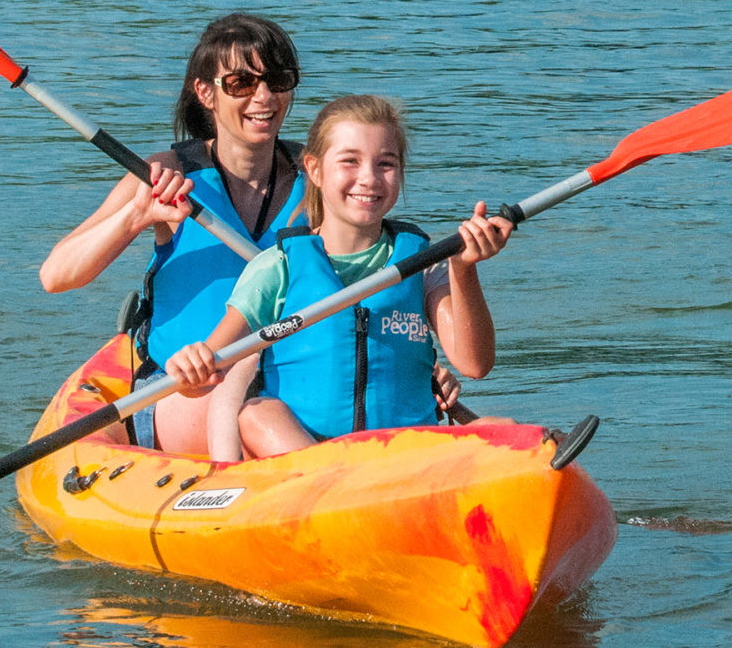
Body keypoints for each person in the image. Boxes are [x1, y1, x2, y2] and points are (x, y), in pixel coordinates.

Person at [163, 94, 515, 460]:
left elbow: (475, 364)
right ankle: (336, 484)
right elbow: (204, 376)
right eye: (350, 161)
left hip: (405, 460)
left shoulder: (426, 266)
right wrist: (192, 366)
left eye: (386, 164)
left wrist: (464, 267)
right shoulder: (276, 269)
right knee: (257, 414)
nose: (369, 178)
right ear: (314, 170)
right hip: (309, 461)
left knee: (500, 426)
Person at [39, 13, 311, 457]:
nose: (264, 97)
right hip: (185, 388)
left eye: (278, 80)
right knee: (253, 413)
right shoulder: (167, 173)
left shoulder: (317, 179)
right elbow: (57, 275)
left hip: (298, 379)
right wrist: (138, 215)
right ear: (206, 93)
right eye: (241, 83)